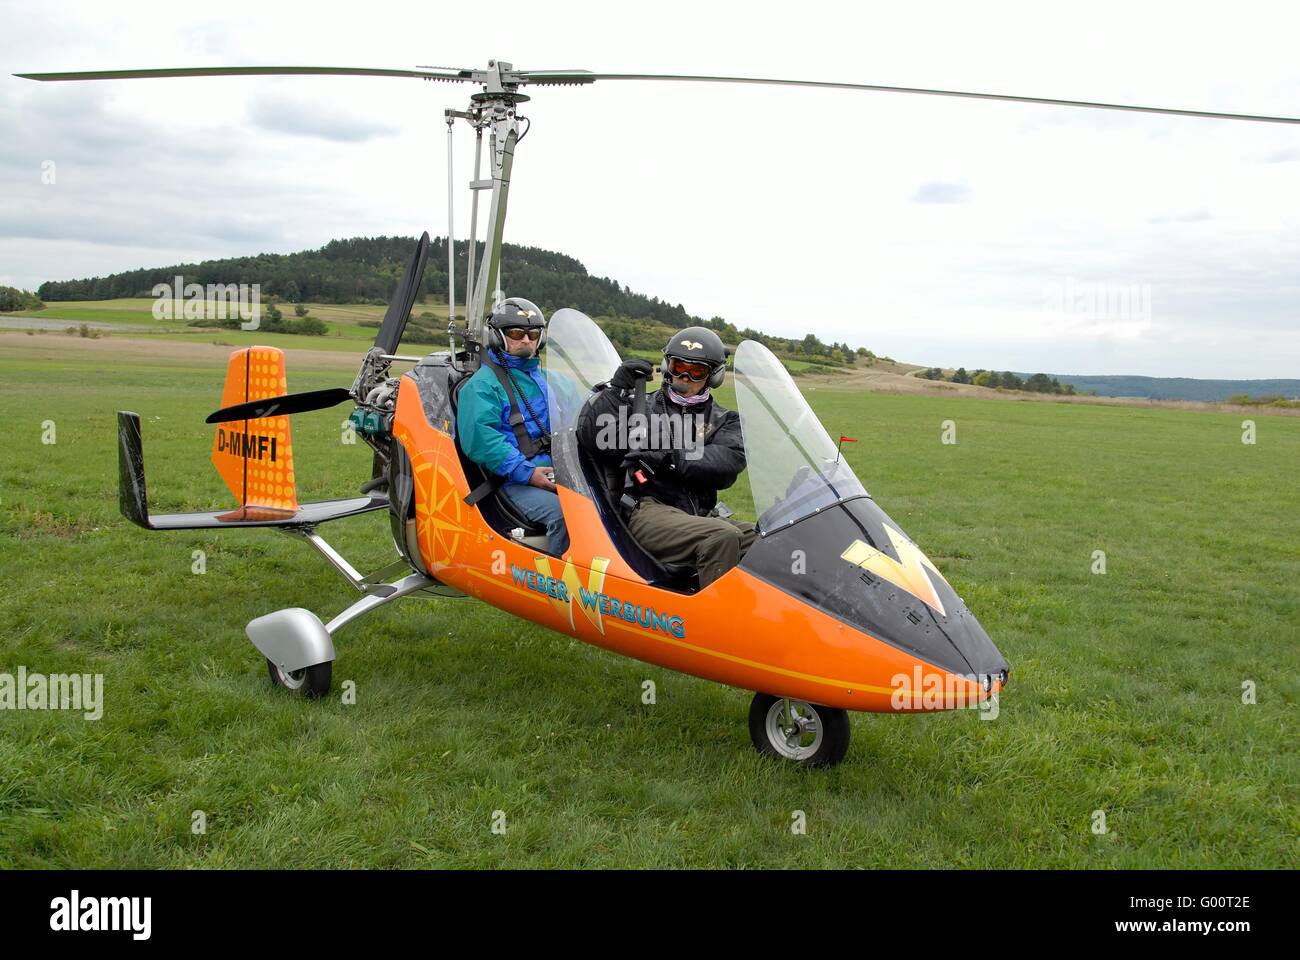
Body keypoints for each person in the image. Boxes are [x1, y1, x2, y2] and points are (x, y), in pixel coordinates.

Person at [578, 326, 756, 588]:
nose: (684, 376)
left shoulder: (725, 420)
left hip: (700, 516)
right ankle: (714, 625)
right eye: (677, 365)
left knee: (771, 539)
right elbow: (594, 438)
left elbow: (728, 462)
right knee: (722, 537)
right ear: (666, 365)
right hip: (647, 510)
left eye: (696, 371)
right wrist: (615, 392)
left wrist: (672, 457)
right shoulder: (641, 408)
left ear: (713, 376)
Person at [456, 297, 569, 556]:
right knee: (565, 515)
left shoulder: (554, 381)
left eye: (533, 334)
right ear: (496, 337)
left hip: (559, 474)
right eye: (517, 333)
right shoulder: (483, 386)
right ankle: (559, 586)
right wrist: (527, 472)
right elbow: (481, 440)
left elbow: (582, 418)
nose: (526, 340)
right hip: (514, 480)